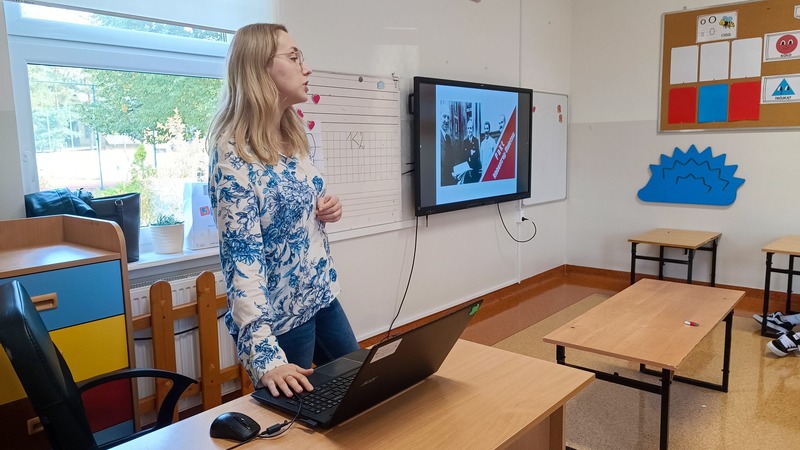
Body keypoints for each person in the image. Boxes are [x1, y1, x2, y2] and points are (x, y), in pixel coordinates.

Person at [207, 23, 360, 398]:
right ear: (260, 68)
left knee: (361, 386)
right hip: (283, 319)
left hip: (321, 296)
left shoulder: (294, 135)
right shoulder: (232, 159)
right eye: (294, 58)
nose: (306, 68)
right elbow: (242, 261)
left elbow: (301, 206)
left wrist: (328, 208)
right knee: (300, 421)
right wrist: (265, 356)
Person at [440, 113, 456, 186]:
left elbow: (451, 158)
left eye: (448, 117)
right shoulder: (437, 136)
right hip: (441, 179)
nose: (446, 120)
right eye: (444, 116)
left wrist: (453, 171)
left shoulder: (448, 138)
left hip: (449, 177)